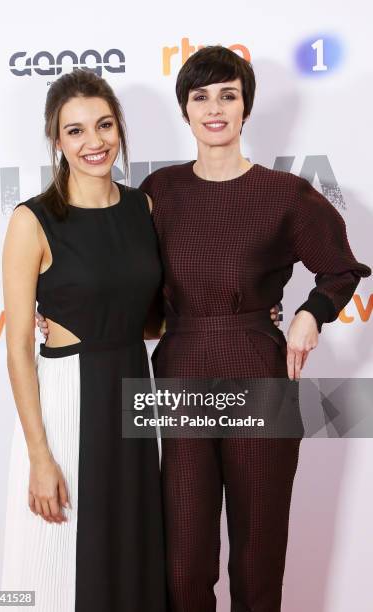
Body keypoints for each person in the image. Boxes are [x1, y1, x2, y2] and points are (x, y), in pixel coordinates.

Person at [137, 46, 370, 612]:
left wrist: (310, 313)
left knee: (258, 552)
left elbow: (341, 268)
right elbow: (124, 280)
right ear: (185, 110)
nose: (214, 108)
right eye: (201, 97)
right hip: (183, 372)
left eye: (228, 95)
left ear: (246, 108)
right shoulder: (158, 193)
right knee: (183, 559)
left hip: (260, 373)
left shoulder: (284, 194)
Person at [1, 69, 167, 612]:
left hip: (132, 389)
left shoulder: (141, 207)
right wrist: (39, 455)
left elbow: (146, 321)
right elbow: (19, 347)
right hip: (67, 394)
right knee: (59, 558)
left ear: (118, 126)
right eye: (75, 131)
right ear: (56, 140)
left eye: (103, 125)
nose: (93, 142)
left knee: (130, 548)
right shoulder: (33, 220)